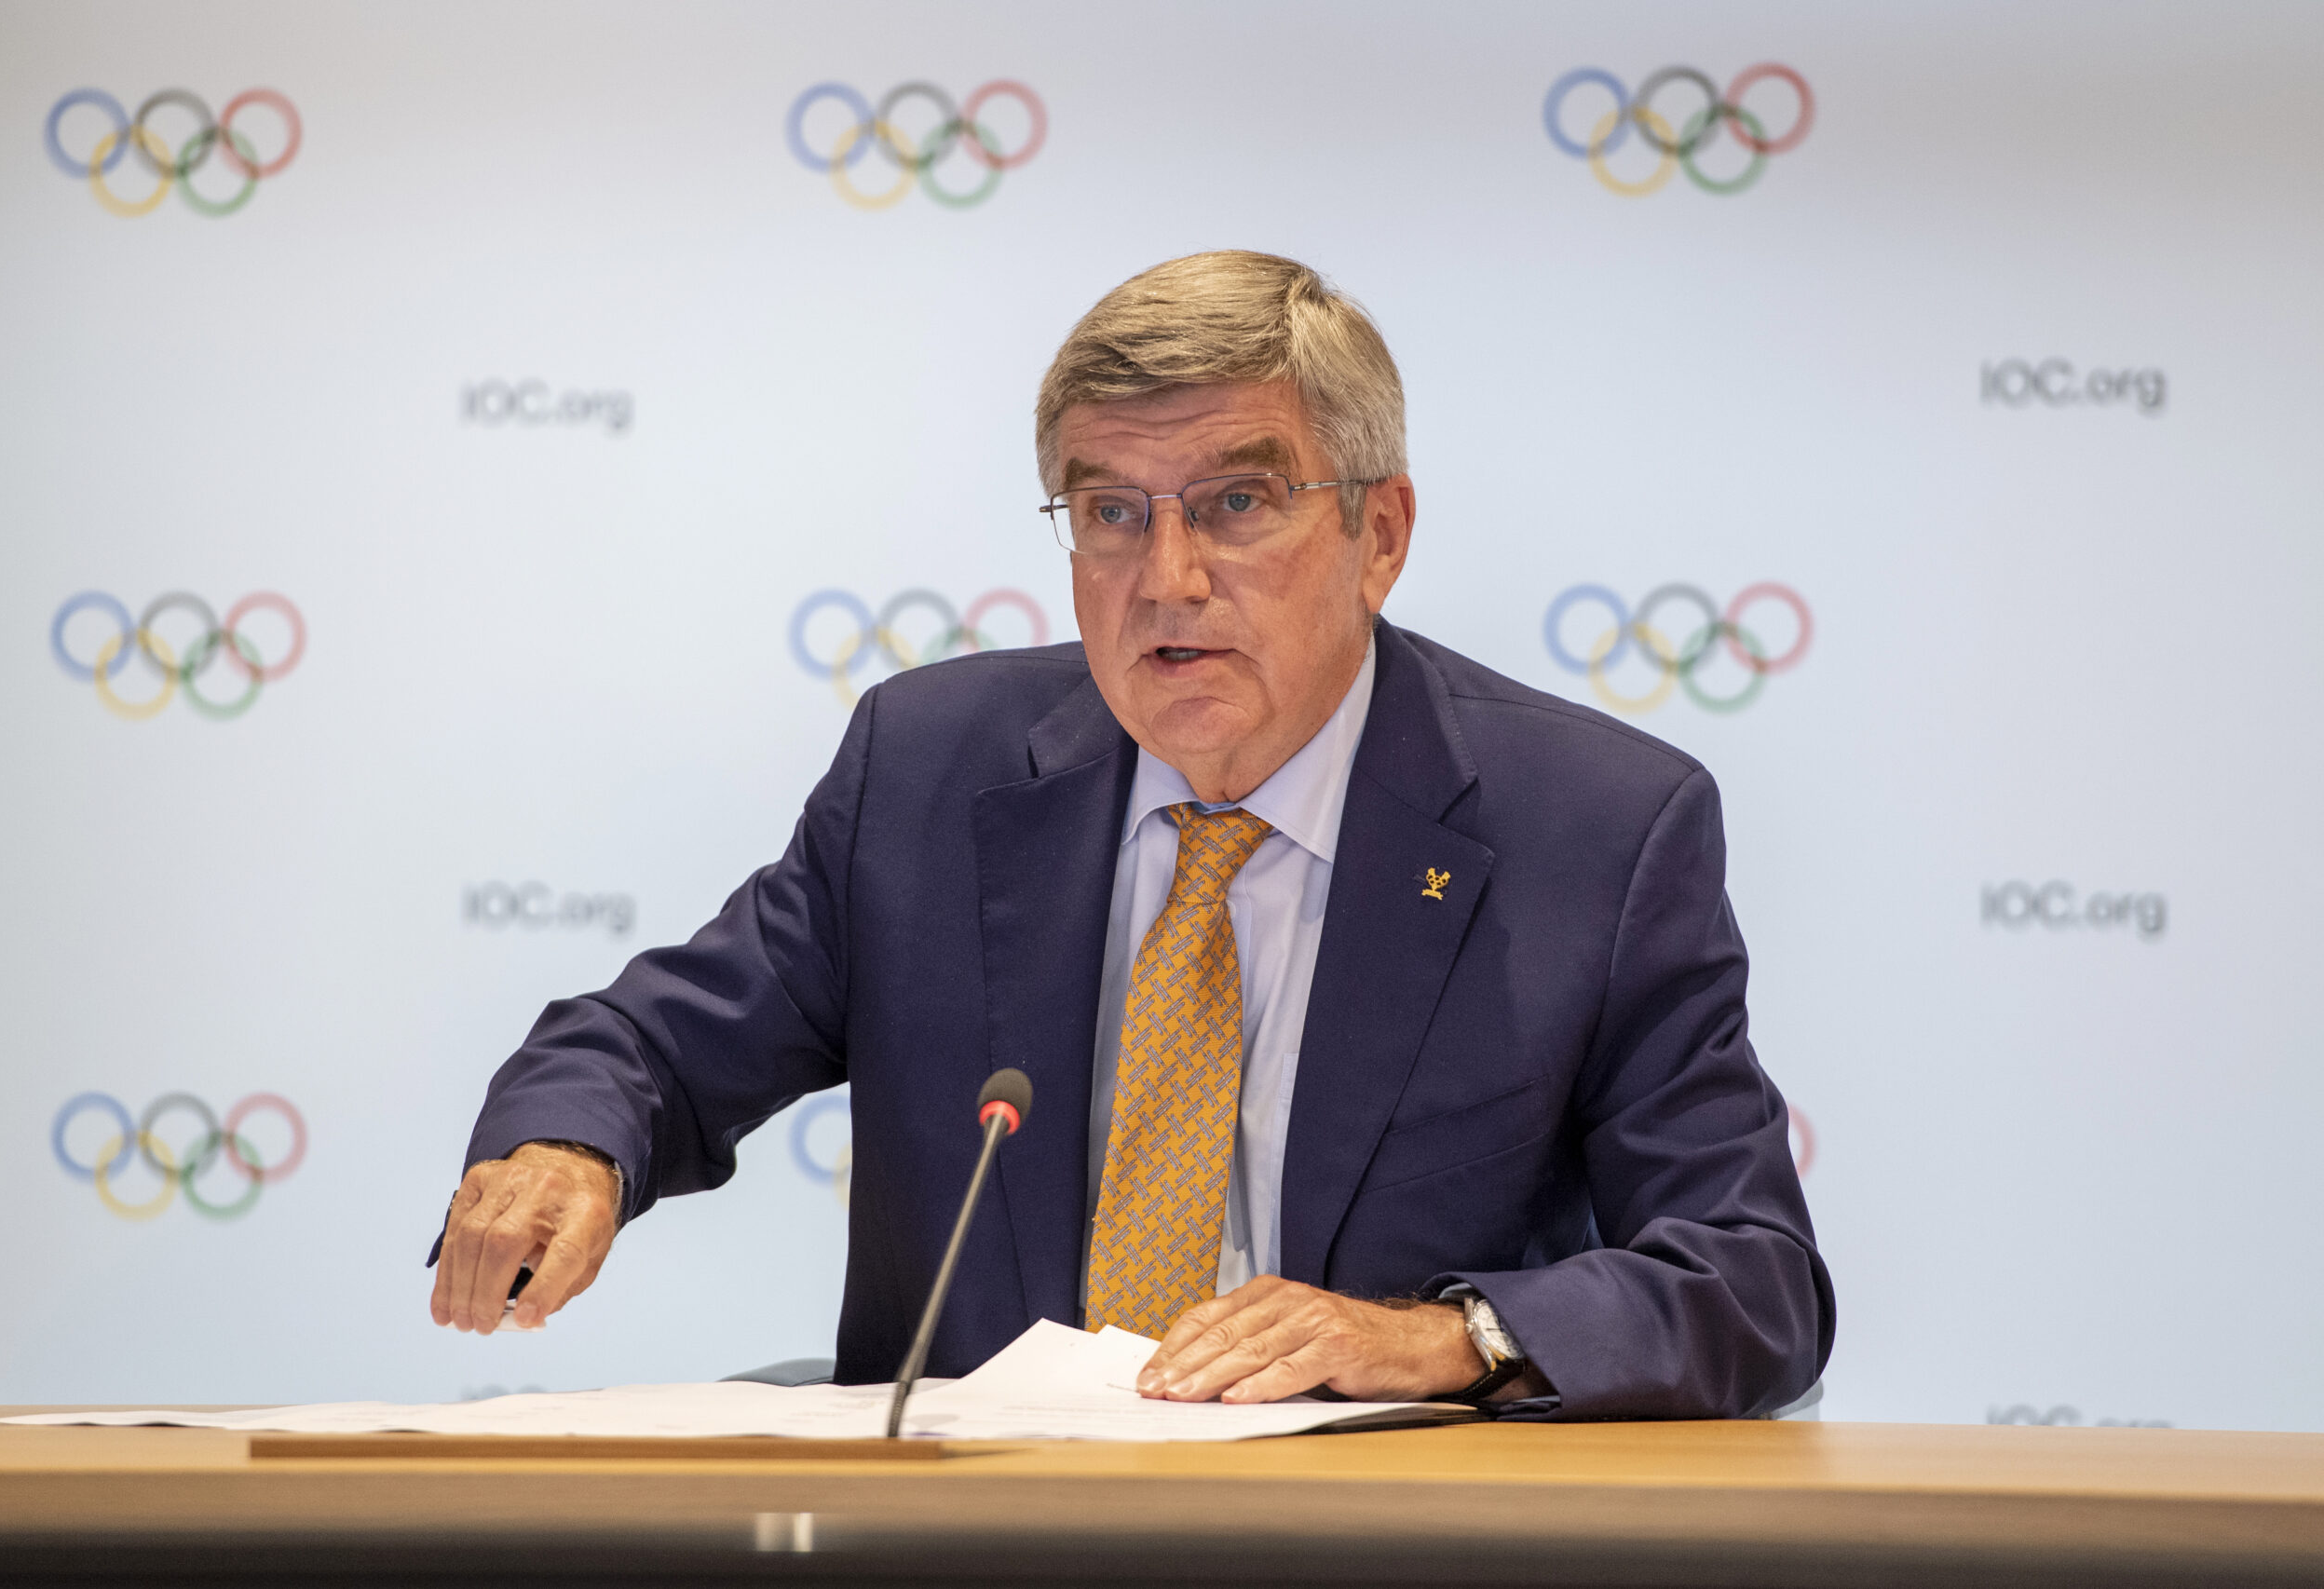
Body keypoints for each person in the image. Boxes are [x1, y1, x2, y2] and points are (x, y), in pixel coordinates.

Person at [428, 251, 1832, 1419]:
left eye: (1237, 501)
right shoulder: (929, 774)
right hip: (976, 1551)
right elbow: (652, 1044)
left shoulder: (1593, 828)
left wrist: (1444, 1336)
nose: (1167, 579)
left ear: (1380, 532)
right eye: (1111, 511)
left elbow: (1753, 1279)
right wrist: (572, 1146)